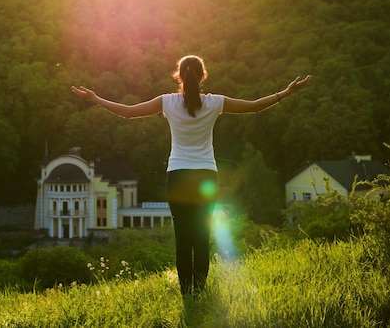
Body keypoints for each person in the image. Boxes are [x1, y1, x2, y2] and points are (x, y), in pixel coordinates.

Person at [71, 54, 311, 296]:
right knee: (201, 238)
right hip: (206, 177)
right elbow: (255, 106)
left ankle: (188, 295)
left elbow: (128, 112)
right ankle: (200, 291)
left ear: (179, 76)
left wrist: (95, 98)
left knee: (183, 240)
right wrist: (286, 91)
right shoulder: (215, 102)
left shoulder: (167, 102)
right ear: (203, 76)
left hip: (178, 176)